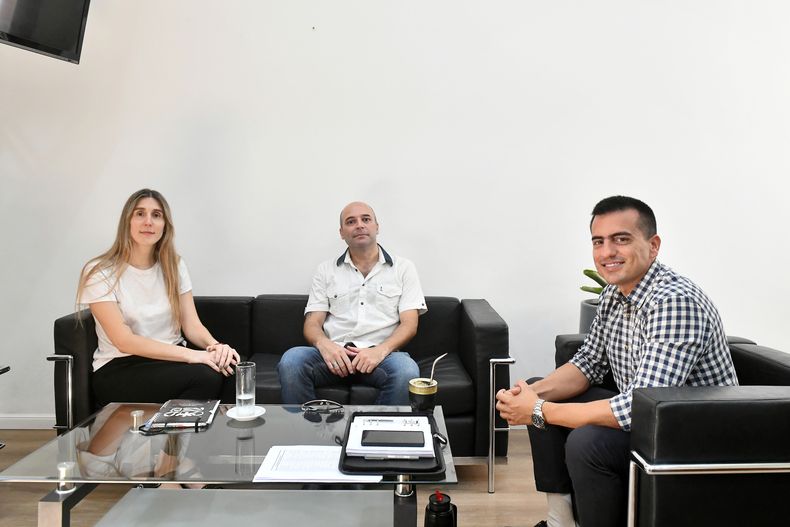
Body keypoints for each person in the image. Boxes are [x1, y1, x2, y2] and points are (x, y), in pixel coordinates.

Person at [496, 196, 738, 527]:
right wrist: (528, 395)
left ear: (653, 246)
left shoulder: (675, 302)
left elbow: (637, 407)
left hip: (695, 436)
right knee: (542, 393)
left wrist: (537, 410)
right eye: (599, 241)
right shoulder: (614, 294)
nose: (607, 251)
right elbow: (588, 364)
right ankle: (560, 520)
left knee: (586, 441)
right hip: (652, 419)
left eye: (621, 239)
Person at [77, 188, 239, 407]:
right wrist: (192, 355)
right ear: (127, 222)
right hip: (120, 367)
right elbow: (124, 341)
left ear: (165, 225)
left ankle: (189, 439)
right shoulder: (99, 271)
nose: (148, 222)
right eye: (140, 214)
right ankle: (170, 439)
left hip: (169, 361)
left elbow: (191, 325)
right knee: (205, 376)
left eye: (156, 215)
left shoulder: (174, 266)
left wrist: (216, 347)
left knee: (231, 370)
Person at [278, 201, 426, 405]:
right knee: (291, 361)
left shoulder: (404, 268)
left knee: (407, 370)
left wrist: (380, 351)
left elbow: (410, 324)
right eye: (351, 221)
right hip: (334, 356)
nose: (359, 225)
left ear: (377, 226)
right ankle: (305, 434)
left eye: (366, 219)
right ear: (341, 232)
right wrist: (325, 345)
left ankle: (375, 435)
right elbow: (312, 323)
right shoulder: (326, 270)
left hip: (382, 357)